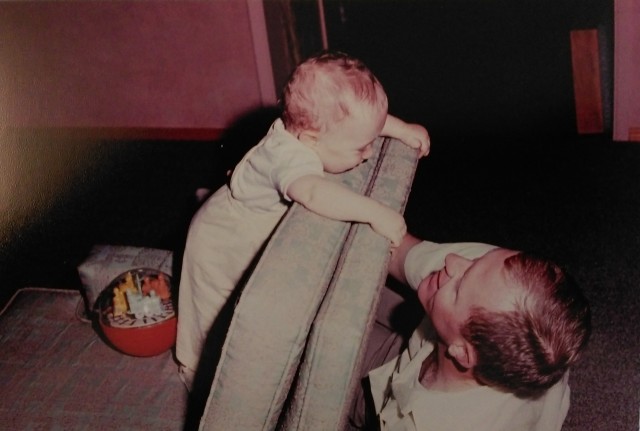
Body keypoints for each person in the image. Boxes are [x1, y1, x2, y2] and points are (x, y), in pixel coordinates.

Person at [176, 51, 430, 390]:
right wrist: (375, 212)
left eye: (371, 141)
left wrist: (401, 129)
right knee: (214, 307)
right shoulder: (288, 157)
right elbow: (312, 192)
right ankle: (196, 369)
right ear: (312, 140)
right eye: (360, 148)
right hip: (224, 240)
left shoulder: (314, 130)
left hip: (248, 217)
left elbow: (370, 122)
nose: (369, 152)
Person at [348, 234, 591, 431]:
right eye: (477, 262)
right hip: (420, 339)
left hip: (388, 402)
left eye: (457, 290)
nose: (453, 260)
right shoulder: (501, 282)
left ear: (463, 352)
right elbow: (395, 246)